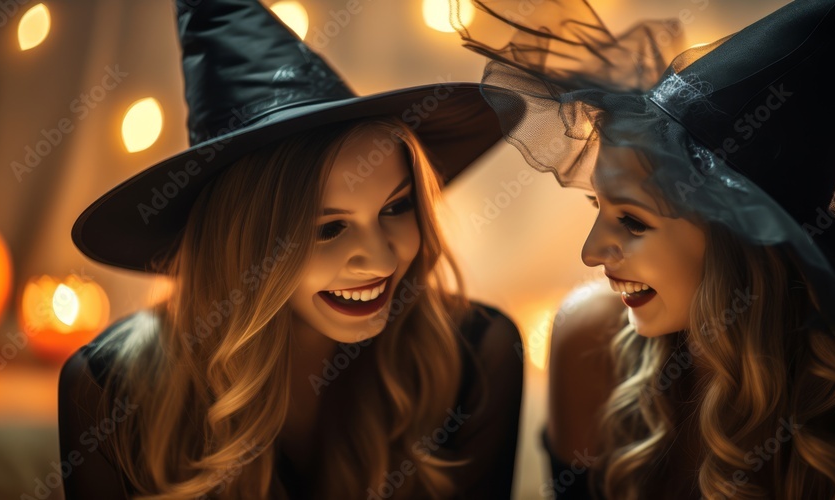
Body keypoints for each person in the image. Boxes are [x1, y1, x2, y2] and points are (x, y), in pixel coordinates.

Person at [454, 0, 835, 498]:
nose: (590, 253)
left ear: (740, 240)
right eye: (597, 205)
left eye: (632, 220)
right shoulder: (588, 343)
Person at [58, 0, 523, 498]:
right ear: (237, 244)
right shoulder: (108, 390)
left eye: (395, 208)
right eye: (327, 230)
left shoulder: (478, 357)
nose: (383, 260)